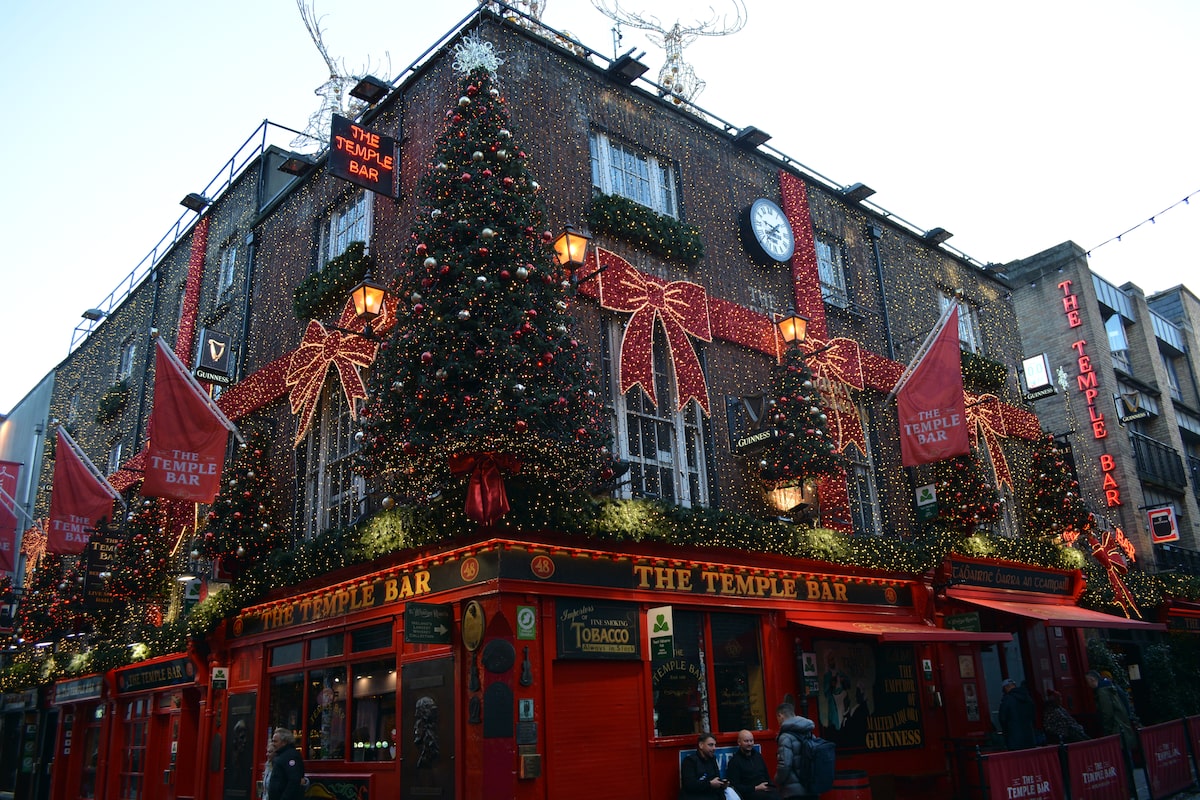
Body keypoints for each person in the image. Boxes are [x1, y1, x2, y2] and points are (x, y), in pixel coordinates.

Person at [774, 702, 817, 800]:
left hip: (793, 791)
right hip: (811, 786)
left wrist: (777, 779)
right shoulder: (808, 731)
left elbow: (785, 764)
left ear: (780, 716)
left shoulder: (785, 737)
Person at [1086, 670, 1137, 752]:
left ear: (1092, 679)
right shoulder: (1112, 687)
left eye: (1087, 681)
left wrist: (1106, 729)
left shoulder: (1102, 691)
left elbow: (1107, 712)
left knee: (1120, 753)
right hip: (1123, 723)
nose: (1087, 684)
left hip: (1115, 727)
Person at [725, 729, 780, 800]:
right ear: (739, 742)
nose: (749, 743)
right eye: (746, 741)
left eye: (751, 741)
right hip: (749, 793)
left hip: (765, 789)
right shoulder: (734, 761)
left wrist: (769, 785)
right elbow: (734, 786)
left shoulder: (758, 756)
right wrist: (755, 788)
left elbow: (766, 775)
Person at [679, 732, 732, 799]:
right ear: (701, 745)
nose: (714, 748)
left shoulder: (712, 759)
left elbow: (716, 778)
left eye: (715, 745)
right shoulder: (690, 761)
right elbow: (689, 785)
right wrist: (709, 784)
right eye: (710, 745)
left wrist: (721, 784)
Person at [998, 678, 1037, 750]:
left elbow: (1002, 718)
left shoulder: (1007, 699)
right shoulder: (1027, 697)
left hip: (1014, 738)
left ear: (1006, 688)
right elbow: (1033, 715)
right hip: (1029, 736)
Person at [268, 728, 306, 800]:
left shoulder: (291, 756)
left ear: (284, 742)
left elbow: (294, 781)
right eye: (272, 741)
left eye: (275, 741)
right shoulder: (280, 756)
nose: (273, 744)